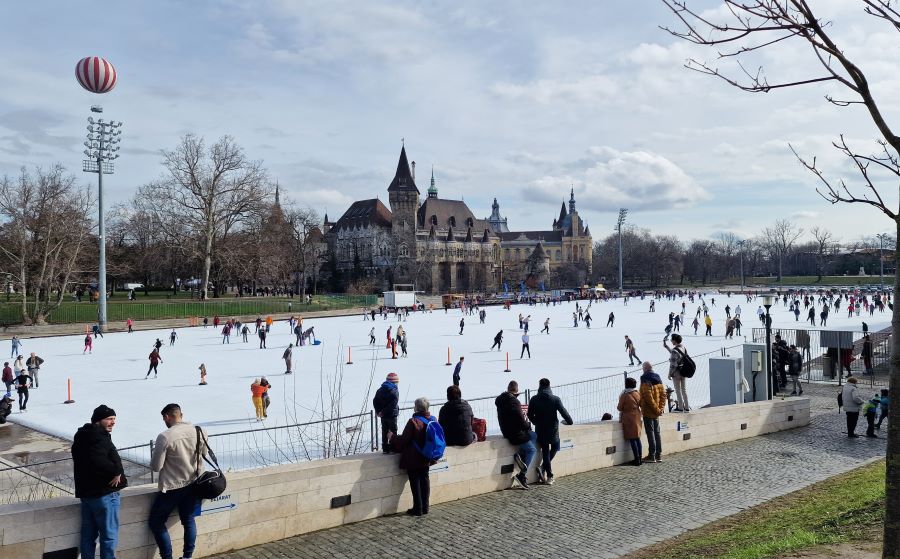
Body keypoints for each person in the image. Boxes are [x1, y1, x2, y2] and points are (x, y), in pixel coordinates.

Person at [149, 403, 206, 559]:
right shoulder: (199, 430)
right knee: (188, 519)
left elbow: (156, 466)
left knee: (156, 522)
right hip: (194, 484)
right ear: (181, 414)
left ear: (167, 416)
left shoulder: (165, 436)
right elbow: (204, 453)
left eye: (164, 419)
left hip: (173, 487)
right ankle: (187, 556)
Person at [72, 405, 127, 559]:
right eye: (109, 419)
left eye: (114, 419)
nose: (113, 422)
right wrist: (116, 472)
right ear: (98, 421)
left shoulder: (83, 435)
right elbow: (98, 460)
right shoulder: (98, 437)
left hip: (87, 494)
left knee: (88, 536)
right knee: (109, 536)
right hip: (104, 494)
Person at [389, 397, 437, 516]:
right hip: (427, 456)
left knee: (415, 482)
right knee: (425, 481)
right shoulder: (433, 419)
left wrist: (392, 437)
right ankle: (425, 507)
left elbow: (404, 440)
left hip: (414, 458)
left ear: (417, 408)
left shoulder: (413, 421)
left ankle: (418, 509)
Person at [526, 378, 573, 485]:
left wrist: (536, 422)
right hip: (553, 430)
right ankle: (549, 475)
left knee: (545, 451)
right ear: (549, 386)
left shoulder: (534, 399)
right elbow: (564, 412)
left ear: (539, 385)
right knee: (556, 447)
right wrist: (569, 421)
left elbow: (529, 414)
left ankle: (545, 470)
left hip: (540, 430)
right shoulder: (555, 399)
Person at [496, 380, 537, 489]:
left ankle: (520, 455)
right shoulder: (514, 402)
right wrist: (527, 426)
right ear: (516, 392)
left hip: (506, 430)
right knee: (532, 450)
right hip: (514, 432)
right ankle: (521, 475)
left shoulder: (501, 400)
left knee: (534, 435)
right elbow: (520, 419)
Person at [639, 361, 666, 463]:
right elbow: (663, 395)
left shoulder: (644, 378)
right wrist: (660, 408)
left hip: (648, 411)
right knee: (657, 433)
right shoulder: (658, 378)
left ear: (645, 369)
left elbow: (647, 397)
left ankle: (652, 455)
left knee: (650, 433)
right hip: (657, 411)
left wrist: (656, 409)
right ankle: (658, 455)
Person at [618, 377, 643, 466]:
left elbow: (619, 407)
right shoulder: (637, 393)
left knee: (632, 438)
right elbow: (641, 403)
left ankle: (636, 459)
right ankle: (640, 458)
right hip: (637, 415)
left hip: (629, 417)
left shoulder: (625, 395)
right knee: (637, 438)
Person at [372, 373, 400, 453]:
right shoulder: (394, 390)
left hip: (383, 415)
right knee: (393, 430)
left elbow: (375, 401)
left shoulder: (380, 390)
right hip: (392, 414)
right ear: (395, 382)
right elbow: (393, 403)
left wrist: (379, 411)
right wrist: (383, 411)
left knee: (384, 430)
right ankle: (393, 447)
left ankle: (385, 448)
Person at [663, 334, 690, 412]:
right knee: (684, 390)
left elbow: (673, 365)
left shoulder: (675, 350)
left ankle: (680, 408)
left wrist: (669, 374)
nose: (671, 341)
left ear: (675, 340)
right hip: (683, 371)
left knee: (678, 390)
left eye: (672, 339)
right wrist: (666, 347)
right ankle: (687, 407)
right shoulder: (683, 347)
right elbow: (676, 353)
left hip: (677, 373)